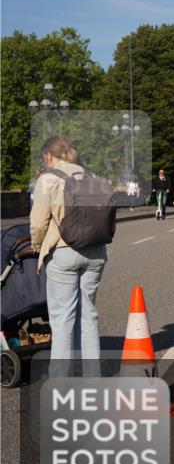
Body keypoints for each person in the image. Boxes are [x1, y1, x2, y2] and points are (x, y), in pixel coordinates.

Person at [29, 136, 107, 376]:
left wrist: (37, 247)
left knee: (62, 320)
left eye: (45, 158)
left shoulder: (48, 179)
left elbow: (38, 224)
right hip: (95, 252)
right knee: (88, 316)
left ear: (50, 155)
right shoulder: (92, 177)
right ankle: (93, 377)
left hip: (63, 252)